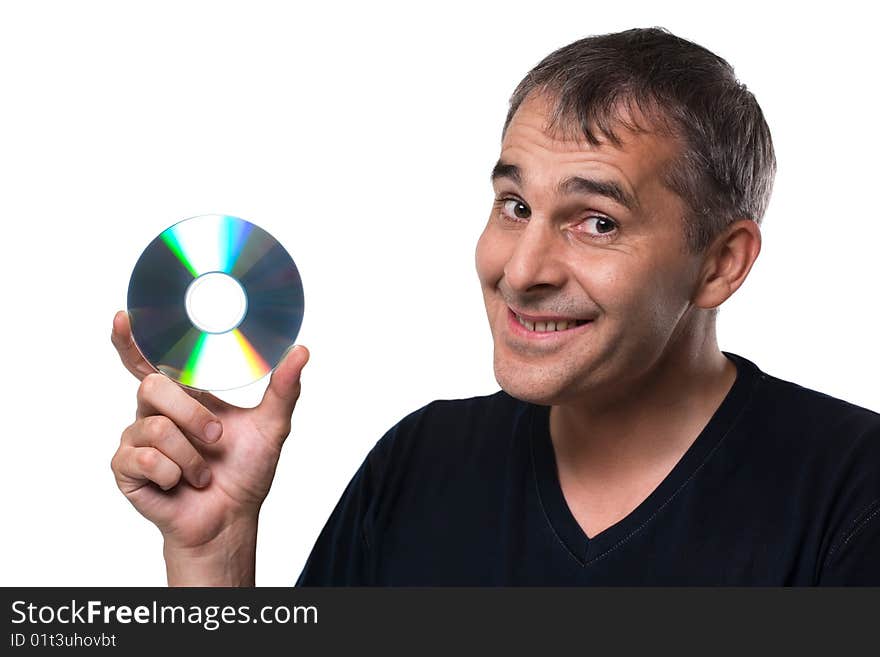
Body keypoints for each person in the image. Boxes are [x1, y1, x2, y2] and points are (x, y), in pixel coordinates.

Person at [110, 27, 880, 585]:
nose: (521, 270)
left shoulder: (852, 490)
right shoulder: (419, 464)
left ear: (720, 263)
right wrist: (213, 554)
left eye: (597, 221)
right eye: (514, 205)